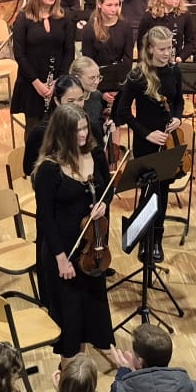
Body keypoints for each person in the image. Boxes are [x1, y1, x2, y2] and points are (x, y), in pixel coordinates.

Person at [32, 104, 114, 361]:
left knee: (93, 305)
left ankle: (95, 352)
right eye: (77, 130)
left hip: (92, 247)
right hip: (63, 248)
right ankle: (69, 368)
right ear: (62, 133)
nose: (83, 134)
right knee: (70, 315)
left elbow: (107, 188)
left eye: (85, 128)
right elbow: (45, 218)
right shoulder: (49, 169)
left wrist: (103, 203)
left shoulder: (96, 154)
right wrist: (60, 258)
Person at [113, 25, 185, 264]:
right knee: (147, 192)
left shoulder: (174, 71)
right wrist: (146, 134)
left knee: (162, 192)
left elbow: (179, 101)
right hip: (146, 143)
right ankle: (144, 239)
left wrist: (177, 117)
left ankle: (157, 240)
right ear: (151, 49)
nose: (167, 53)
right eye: (162, 49)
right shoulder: (137, 76)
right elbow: (123, 112)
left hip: (169, 141)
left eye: (169, 48)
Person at [12, 0, 75, 119]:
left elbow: (69, 51)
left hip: (56, 81)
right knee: (34, 131)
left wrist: (57, 81)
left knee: (58, 129)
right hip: (31, 82)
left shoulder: (64, 16)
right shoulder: (23, 18)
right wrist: (37, 83)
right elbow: (19, 54)